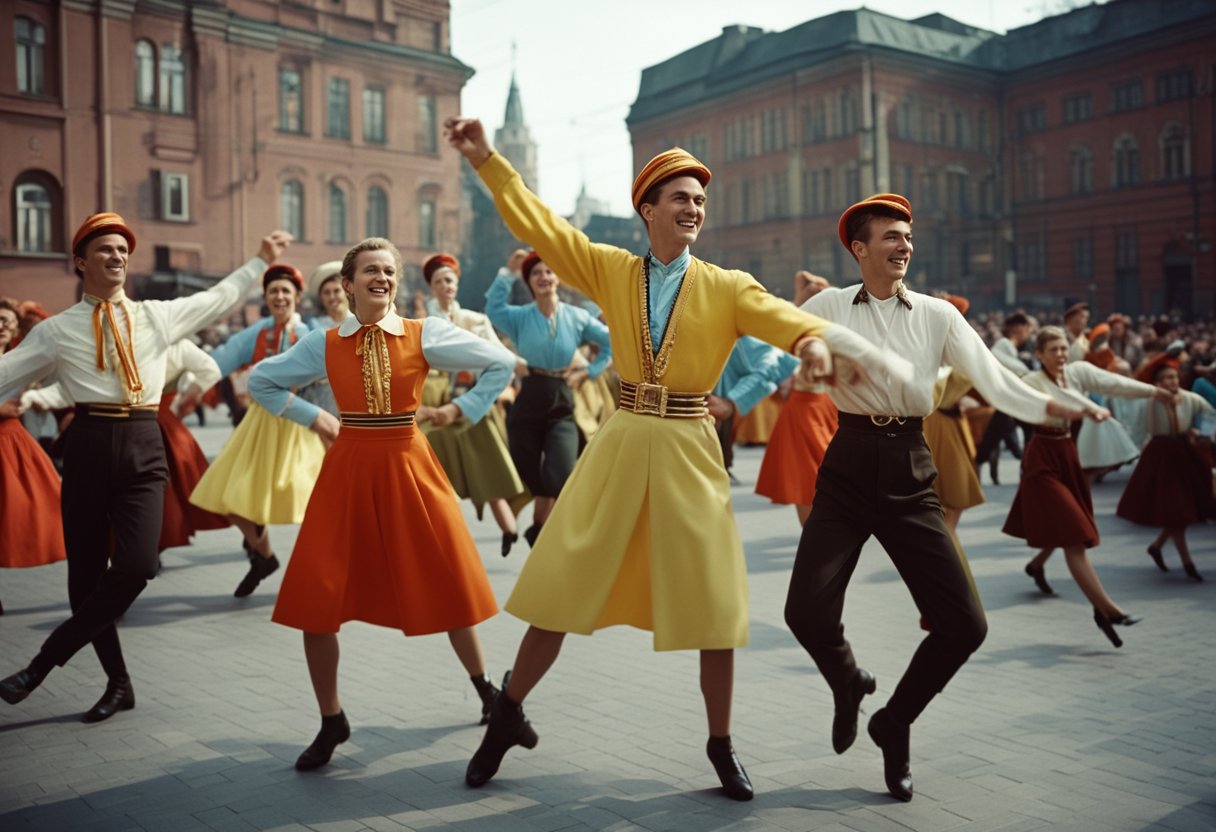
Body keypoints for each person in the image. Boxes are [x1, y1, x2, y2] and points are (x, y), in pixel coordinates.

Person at [447, 117, 911, 802]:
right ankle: (506, 715)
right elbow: (546, 230)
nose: (694, 208)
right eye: (680, 198)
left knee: (713, 604)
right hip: (624, 440)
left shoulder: (727, 285)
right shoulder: (610, 269)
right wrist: (487, 160)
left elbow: (791, 320)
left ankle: (720, 745)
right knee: (561, 586)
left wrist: (816, 343)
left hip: (692, 448)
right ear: (648, 209)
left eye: (700, 199)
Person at [786, 194, 1087, 803]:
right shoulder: (826, 307)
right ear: (860, 247)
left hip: (909, 468)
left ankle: (893, 722)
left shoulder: (938, 315)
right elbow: (777, 347)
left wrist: (1056, 406)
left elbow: (995, 379)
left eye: (908, 237)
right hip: (846, 467)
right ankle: (849, 683)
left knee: (965, 626)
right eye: (891, 237)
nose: (904, 246)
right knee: (804, 613)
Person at [0, 213, 290, 720]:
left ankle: (42, 665)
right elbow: (6, 374)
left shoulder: (156, 316)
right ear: (80, 261)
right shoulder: (55, 332)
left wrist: (259, 262)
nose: (116, 257)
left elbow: (216, 299)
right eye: (105, 249)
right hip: (87, 446)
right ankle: (118, 684)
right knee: (84, 581)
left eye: (122, 250)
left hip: (142, 443)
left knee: (138, 565)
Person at [247, 237, 514, 771]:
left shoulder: (424, 334)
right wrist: (315, 418)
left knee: (449, 581)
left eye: (390, 271)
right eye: (371, 270)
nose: (383, 278)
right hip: (347, 471)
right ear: (347, 285)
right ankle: (331, 719)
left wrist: (461, 409)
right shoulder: (323, 344)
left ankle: (486, 689)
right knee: (316, 598)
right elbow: (261, 381)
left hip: (410, 466)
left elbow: (501, 364)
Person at [1004, 326, 1174, 646]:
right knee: (1074, 536)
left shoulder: (1077, 372)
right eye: (1052, 350)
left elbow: (1114, 384)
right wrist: (1082, 409)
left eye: (1063, 349)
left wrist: (1155, 391)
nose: (1060, 355)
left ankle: (1036, 565)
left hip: (1068, 455)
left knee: (1069, 527)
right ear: (1038, 354)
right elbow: (1028, 408)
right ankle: (1107, 609)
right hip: (1042, 462)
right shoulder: (1032, 383)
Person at [190, 264, 324, 597]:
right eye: (273, 291)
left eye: (285, 291)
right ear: (266, 298)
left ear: (297, 296)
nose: (279, 296)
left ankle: (325, 570)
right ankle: (264, 556)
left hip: (299, 423)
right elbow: (221, 358)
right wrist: (190, 384)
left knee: (315, 502)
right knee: (226, 495)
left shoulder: (309, 334)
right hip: (259, 423)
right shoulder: (258, 332)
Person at [484, 249, 612, 550]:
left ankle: (541, 529)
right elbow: (493, 309)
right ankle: (537, 530)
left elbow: (610, 342)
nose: (543, 277)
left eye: (548, 272)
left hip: (562, 400)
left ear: (558, 279)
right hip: (528, 396)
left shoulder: (577, 317)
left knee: (562, 472)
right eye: (536, 273)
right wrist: (508, 272)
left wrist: (589, 372)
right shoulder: (519, 317)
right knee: (526, 469)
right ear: (529, 282)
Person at [422, 253, 527, 556]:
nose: (446, 286)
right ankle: (441, 538)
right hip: (434, 401)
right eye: (439, 281)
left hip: (470, 399)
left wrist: (524, 365)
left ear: (457, 283)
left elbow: (498, 353)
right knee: (434, 472)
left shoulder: (474, 320)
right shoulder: (422, 323)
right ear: (432, 287)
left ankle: (509, 528)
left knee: (487, 463)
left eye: (450, 280)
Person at [1116, 357, 1214, 581]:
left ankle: (1158, 545)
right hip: (1161, 454)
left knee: (1182, 510)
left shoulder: (1190, 398)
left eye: (1174, 377)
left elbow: (1209, 415)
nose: (1171, 382)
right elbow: (1143, 425)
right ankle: (1187, 562)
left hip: (1184, 452)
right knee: (1177, 510)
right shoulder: (1151, 401)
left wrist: (1200, 431)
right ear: (1158, 383)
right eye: (1166, 378)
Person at [0, 299, 66, 617]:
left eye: (9, 322)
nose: (3, 327)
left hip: (14, 440)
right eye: (0, 320)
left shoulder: (21, 360)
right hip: (8, 432)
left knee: (52, 503)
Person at [755, 274, 839, 526]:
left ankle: (819, 539)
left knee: (828, 480)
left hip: (827, 407)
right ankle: (816, 541)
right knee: (808, 481)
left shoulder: (836, 325)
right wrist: (802, 296)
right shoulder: (796, 329)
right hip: (807, 410)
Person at [973, 312, 1033, 485]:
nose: (1028, 332)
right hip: (1008, 401)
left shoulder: (1022, 347)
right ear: (1017, 329)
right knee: (991, 440)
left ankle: (1028, 468)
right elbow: (1004, 362)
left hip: (1016, 402)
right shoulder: (1003, 344)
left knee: (1024, 436)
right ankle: (977, 465)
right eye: (1026, 328)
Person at [298, 260, 349, 418]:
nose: (332, 297)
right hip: (325, 395)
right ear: (321, 297)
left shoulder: (360, 321)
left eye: (336, 291)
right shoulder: (314, 326)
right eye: (327, 293)